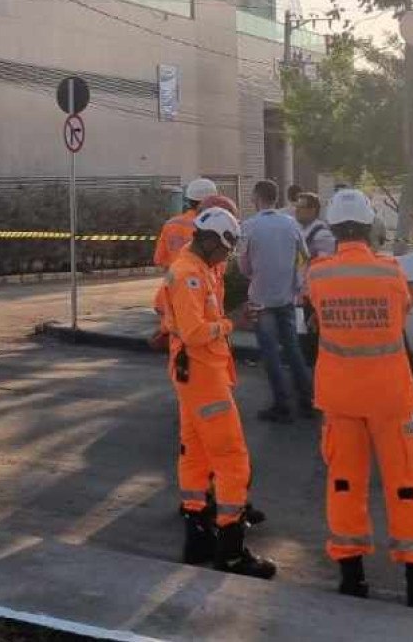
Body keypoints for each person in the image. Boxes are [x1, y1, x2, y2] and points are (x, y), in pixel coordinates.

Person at [304, 187, 413, 613]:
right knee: (405, 485)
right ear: (371, 227)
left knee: (344, 483)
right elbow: (401, 313)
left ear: (332, 227)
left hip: (339, 398)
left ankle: (352, 578)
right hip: (390, 397)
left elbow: (315, 318)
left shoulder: (318, 274)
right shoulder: (390, 272)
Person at [163, 206, 277, 579]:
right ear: (210, 241)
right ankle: (231, 550)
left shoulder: (194, 269)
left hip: (195, 374)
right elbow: (197, 332)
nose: (226, 257)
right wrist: (233, 322)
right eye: (225, 249)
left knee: (194, 454)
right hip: (202, 376)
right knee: (231, 458)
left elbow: (168, 311)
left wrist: (173, 327)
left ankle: (197, 538)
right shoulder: (189, 274)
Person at [237, 179, 314, 423]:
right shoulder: (291, 224)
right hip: (286, 296)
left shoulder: (250, 226)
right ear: (276, 197)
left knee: (270, 352)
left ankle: (282, 405)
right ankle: (307, 399)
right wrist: (296, 282)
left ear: (256, 197)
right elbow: (305, 256)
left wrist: (254, 275)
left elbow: (243, 263)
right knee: (292, 349)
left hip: (261, 297)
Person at [151, 178, 219, 348]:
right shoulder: (212, 228)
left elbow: (159, 259)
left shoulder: (171, 224)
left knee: (178, 348)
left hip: (172, 294)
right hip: (204, 299)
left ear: (188, 200)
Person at [296, 192, 335, 259]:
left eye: (301, 207)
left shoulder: (322, 234)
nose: (297, 210)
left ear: (312, 210)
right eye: (297, 207)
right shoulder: (300, 229)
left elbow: (325, 263)